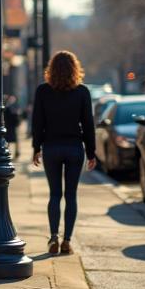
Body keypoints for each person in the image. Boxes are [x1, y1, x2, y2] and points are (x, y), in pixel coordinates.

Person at [31, 51, 96, 256]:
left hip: (51, 147)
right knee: (71, 195)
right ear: (75, 69)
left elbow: (37, 122)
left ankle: (53, 237)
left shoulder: (43, 91)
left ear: (51, 69)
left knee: (54, 195)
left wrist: (36, 148)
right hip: (74, 148)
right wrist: (92, 152)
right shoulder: (82, 92)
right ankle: (67, 240)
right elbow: (88, 124)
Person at [4, 95, 21, 160]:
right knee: (8, 141)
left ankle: (16, 152)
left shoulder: (13, 107)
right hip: (9, 127)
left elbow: (16, 118)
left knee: (14, 140)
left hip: (12, 127)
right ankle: (8, 152)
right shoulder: (8, 107)